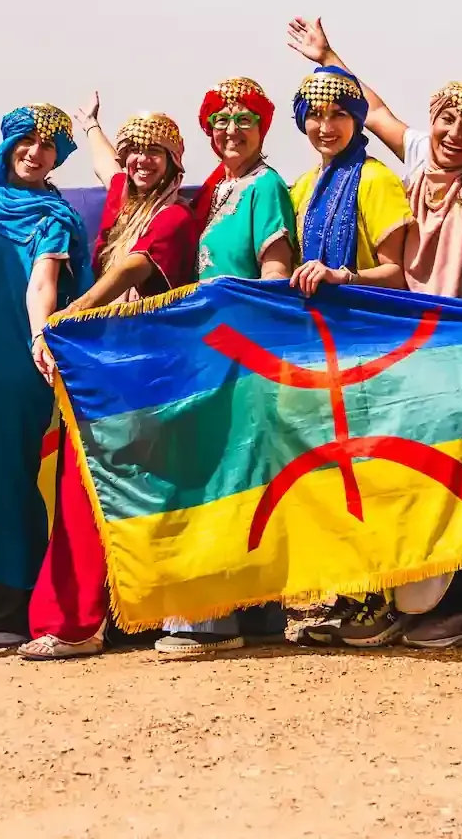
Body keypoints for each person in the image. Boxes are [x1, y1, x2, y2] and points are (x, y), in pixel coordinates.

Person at [284, 18, 462, 650]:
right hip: (394, 351)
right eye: (447, 120)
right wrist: (328, 57)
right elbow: (376, 110)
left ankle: (452, 609)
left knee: (438, 475)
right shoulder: (415, 159)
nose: (454, 135)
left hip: (444, 356)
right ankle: (398, 604)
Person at [21, 103, 196, 660]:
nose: (141, 160)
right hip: (105, 367)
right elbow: (107, 166)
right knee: (85, 488)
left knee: (113, 490)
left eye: (154, 152)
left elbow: (130, 269)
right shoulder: (125, 199)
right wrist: (92, 125)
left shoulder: (173, 219)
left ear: (174, 162)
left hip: (144, 376)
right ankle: (93, 617)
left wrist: (71, 315)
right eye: (134, 151)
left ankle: (91, 622)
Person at [150, 75, 299, 658]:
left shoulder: (265, 187)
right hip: (209, 350)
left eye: (244, 121)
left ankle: (210, 619)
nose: (231, 130)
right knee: (239, 471)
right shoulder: (217, 190)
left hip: (240, 353)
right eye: (221, 121)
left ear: (263, 129)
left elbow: (275, 271)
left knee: (222, 474)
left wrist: (252, 346)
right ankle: (258, 614)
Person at [0, 103, 93, 645]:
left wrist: (38, 336)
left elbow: (42, 282)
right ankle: (6, 605)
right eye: (26, 140)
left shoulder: (53, 217)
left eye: (48, 145)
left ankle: (15, 609)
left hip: (15, 363)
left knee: (8, 474)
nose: (35, 152)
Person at [280, 59, 415, 648]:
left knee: (368, 468)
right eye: (315, 115)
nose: (325, 125)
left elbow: (400, 272)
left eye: (338, 114)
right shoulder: (301, 186)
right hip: (318, 348)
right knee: (331, 470)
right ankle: (349, 593)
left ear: (358, 119)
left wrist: (342, 275)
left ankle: (378, 600)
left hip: (368, 344)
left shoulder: (376, 180)